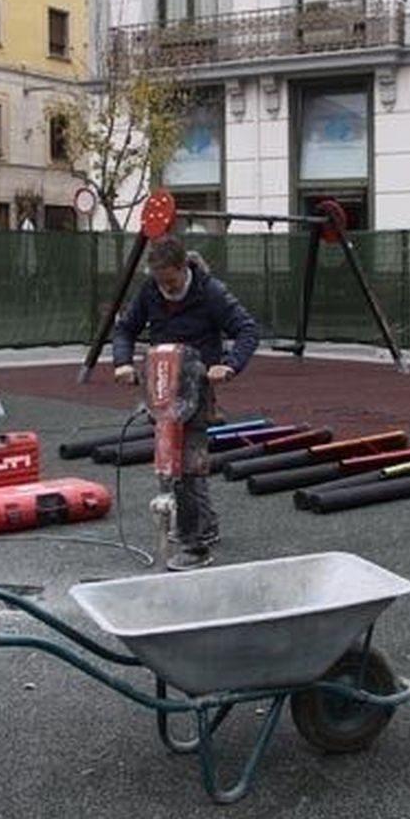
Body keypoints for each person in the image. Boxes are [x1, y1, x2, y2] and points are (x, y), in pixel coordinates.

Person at [112, 233, 259, 571]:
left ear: (183, 268)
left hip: (195, 389)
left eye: (170, 280)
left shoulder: (211, 292)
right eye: (159, 281)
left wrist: (230, 365)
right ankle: (202, 528)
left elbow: (247, 329)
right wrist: (122, 362)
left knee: (188, 466)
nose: (165, 287)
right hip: (161, 386)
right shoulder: (150, 291)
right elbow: (125, 330)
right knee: (170, 464)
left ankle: (194, 544)